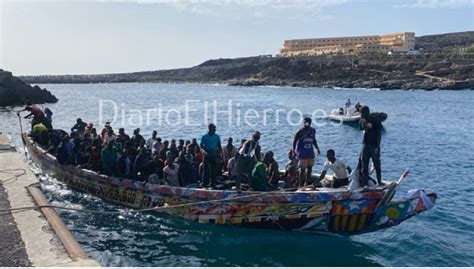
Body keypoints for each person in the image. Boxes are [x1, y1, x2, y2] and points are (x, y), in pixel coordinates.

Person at [358, 105, 383, 187]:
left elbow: (379, 134)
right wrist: (366, 127)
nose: (361, 115)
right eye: (360, 114)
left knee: (376, 164)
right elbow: (362, 129)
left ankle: (379, 181)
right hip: (365, 145)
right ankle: (365, 184)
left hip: (374, 146)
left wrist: (377, 147)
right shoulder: (361, 120)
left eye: (362, 113)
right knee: (364, 165)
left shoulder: (375, 120)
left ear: (367, 113)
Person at [292, 117, 320, 187]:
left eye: (307, 122)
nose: (306, 124)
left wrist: (317, 148)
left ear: (310, 123)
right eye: (305, 122)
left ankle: (306, 183)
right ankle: (300, 185)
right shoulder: (300, 131)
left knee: (310, 168)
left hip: (310, 153)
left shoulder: (313, 130)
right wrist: (294, 150)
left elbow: (314, 140)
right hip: (302, 153)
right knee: (302, 170)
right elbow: (294, 140)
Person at [200, 123, 222, 188]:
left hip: (214, 154)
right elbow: (201, 147)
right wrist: (204, 152)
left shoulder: (217, 136)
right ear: (210, 129)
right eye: (214, 128)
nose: (215, 130)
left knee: (214, 170)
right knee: (206, 170)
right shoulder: (204, 137)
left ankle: (213, 183)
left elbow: (219, 145)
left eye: (215, 129)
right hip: (207, 155)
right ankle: (204, 183)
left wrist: (220, 154)